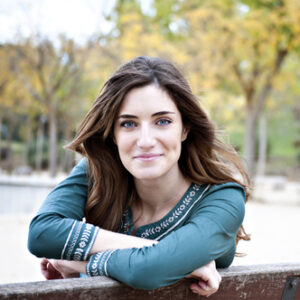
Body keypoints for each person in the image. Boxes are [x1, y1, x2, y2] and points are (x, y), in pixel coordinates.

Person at [28, 56, 250, 297]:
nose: (145, 141)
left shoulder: (224, 198)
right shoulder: (97, 171)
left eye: (162, 121)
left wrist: (77, 263)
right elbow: (42, 233)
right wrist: (161, 252)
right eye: (128, 124)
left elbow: (150, 270)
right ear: (112, 133)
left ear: (185, 128)